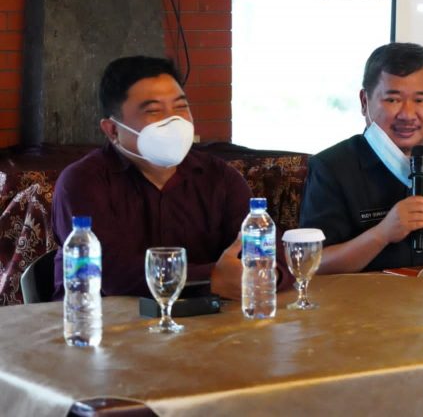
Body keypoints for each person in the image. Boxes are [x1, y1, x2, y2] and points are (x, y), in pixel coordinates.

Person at [52, 56, 281, 299]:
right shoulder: (82, 182)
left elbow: (268, 254)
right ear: (113, 130)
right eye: (153, 110)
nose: (174, 121)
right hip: (102, 326)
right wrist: (211, 278)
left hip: (206, 324)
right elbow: (111, 276)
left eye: (181, 107)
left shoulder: (220, 177)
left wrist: (265, 274)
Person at [299, 42, 423, 273]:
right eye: (393, 100)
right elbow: (312, 263)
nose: (407, 114)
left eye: (420, 100)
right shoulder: (331, 167)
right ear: (364, 102)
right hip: (365, 304)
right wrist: (382, 234)